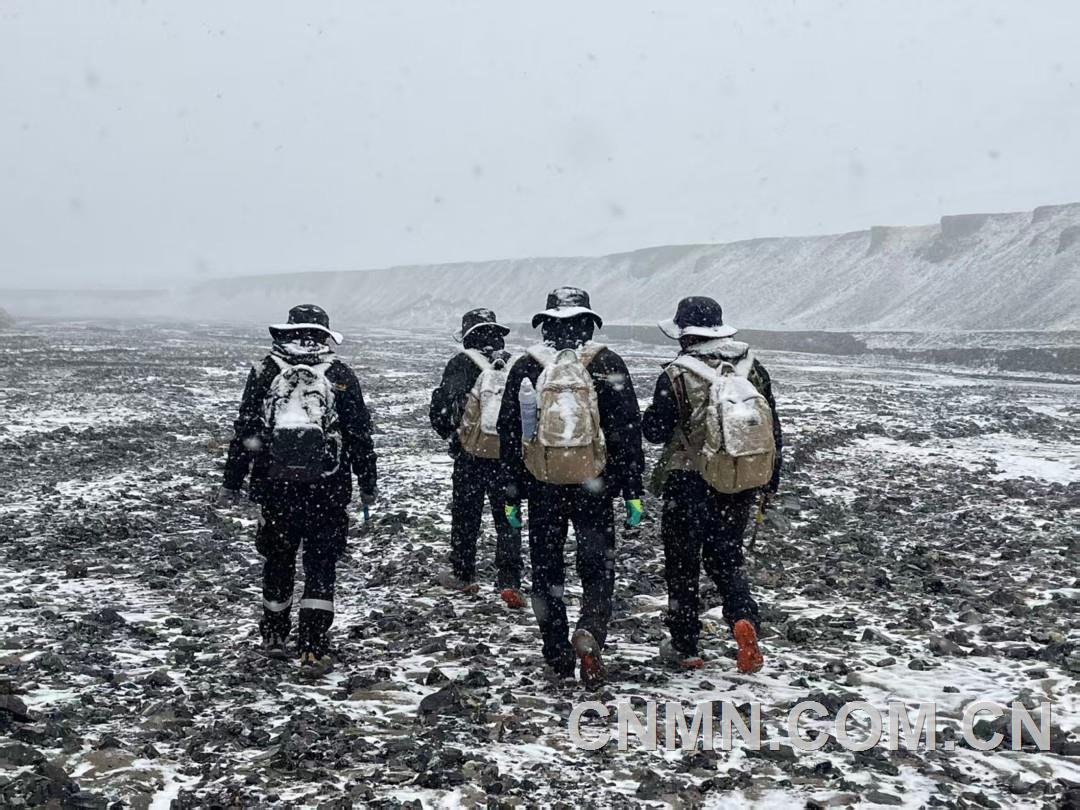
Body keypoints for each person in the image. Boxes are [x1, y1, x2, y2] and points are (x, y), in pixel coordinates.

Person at [497, 287, 645, 688]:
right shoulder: (607, 363)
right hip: (594, 484)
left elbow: (509, 434)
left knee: (547, 572)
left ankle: (556, 651)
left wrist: (511, 493)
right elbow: (627, 431)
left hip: (542, 485)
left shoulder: (526, 367)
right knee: (598, 567)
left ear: (546, 324)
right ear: (588, 321)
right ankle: (591, 631)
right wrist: (632, 489)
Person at [218, 304, 377, 676]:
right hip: (328, 490)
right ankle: (313, 646)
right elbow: (359, 435)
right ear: (324, 334)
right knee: (321, 564)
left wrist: (233, 482)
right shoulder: (339, 374)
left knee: (278, 560)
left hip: (276, 490)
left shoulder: (264, 371)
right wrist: (367, 483)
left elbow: (246, 433)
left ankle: (274, 634)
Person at [642, 297, 782, 674]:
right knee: (727, 557)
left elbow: (655, 432)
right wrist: (770, 479)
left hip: (687, 481)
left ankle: (685, 644)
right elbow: (772, 428)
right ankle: (743, 618)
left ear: (685, 334)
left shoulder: (677, 373)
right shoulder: (753, 370)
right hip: (738, 480)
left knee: (683, 565)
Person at [428, 308, 525, 608]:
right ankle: (509, 579)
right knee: (508, 517)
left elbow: (443, 412)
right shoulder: (513, 364)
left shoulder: (461, 363)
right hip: (508, 457)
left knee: (466, 515)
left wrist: (455, 437)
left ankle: (463, 571)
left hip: (470, 456)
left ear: (467, 334)